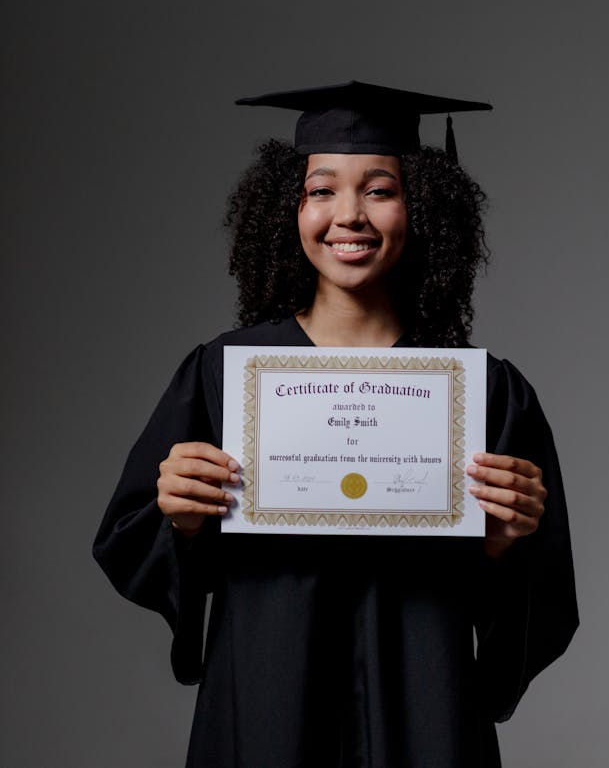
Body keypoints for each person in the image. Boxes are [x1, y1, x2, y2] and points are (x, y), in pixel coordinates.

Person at [94, 81, 578, 768]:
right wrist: (182, 518)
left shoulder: (482, 393)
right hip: (267, 703)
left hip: (424, 707)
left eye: (379, 189)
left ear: (424, 208)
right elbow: (130, 539)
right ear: (286, 209)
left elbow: (538, 606)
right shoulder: (225, 373)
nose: (348, 214)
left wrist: (502, 549)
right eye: (321, 190)